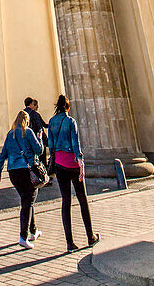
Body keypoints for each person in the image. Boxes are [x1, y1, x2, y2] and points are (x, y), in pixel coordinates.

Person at [48, 94, 100, 253]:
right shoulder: (70, 121)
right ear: (68, 107)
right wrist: (80, 161)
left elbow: (50, 144)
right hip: (72, 163)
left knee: (66, 201)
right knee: (82, 199)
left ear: (57, 106)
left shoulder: (51, 122)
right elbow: (75, 143)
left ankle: (69, 242)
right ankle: (90, 237)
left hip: (59, 163)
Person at [0, 110, 43, 250]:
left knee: (27, 200)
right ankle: (23, 236)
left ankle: (33, 231)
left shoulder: (10, 134)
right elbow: (39, 150)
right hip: (26, 171)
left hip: (13, 173)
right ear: (26, 120)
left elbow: (2, 154)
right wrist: (39, 138)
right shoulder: (27, 132)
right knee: (27, 202)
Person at [25, 98, 50, 183]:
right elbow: (41, 127)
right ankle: (43, 177)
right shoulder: (35, 114)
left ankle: (31, 177)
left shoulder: (22, 114)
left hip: (26, 141)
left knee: (30, 160)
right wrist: (45, 140)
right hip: (37, 140)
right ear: (31, 104)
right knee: (41, 159)